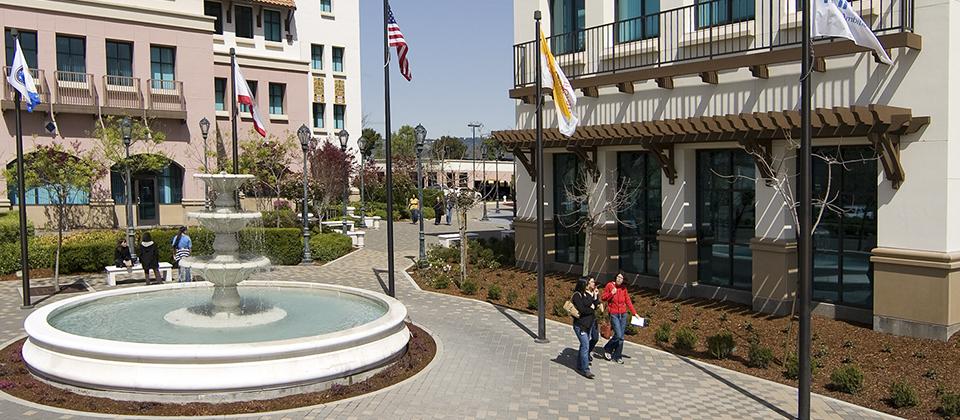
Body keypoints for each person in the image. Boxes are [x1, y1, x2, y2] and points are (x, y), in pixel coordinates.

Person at [601, 273, 639, 364]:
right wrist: (611, 293)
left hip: (623, 314)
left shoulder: (623, 288)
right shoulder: (610, 285)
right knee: (618, 335)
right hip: (614, 314)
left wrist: (635, 313)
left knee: (621, 337)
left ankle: (618, 356)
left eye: (621, 278)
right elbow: (603, 298)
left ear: (623, 280)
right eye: (618, 277)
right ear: (615, 277)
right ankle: (608, 348)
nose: (619, 279)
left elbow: (628, 301)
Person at [571, 277, 600, 379]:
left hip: (588, 324)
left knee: (584, 346)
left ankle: (580, 365)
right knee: (585, 346)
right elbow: (583, 310)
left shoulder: (586, 294)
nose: (589, 285)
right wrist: (591, 309)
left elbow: (595, 306)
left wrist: (595, 297)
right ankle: (586, 369)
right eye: (588, 283)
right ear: (583, 284)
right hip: (580, 326)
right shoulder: (577, 296)